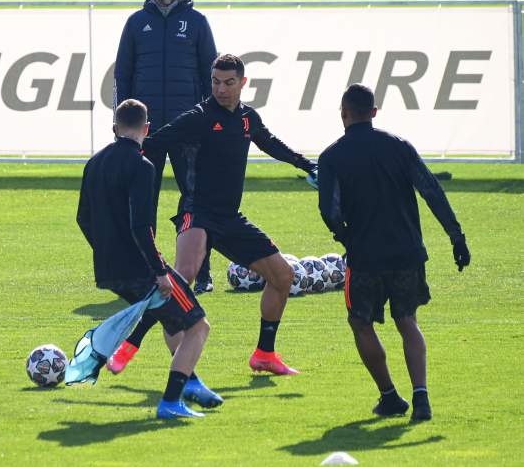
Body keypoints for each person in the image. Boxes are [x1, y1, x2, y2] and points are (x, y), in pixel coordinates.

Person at [117, 54, 318, 377]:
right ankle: (134, 344)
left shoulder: (248, 120)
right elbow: (155, 141)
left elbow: (271, 144)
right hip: (196, 213)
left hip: (230, 219)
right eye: (215, 82)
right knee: (181, 281)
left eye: (228, 83)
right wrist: (120, 157)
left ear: (242, 83)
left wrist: (306, 165)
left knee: (283, 276)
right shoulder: (199, 116)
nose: (221, 89)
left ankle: (265, 354)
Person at [318, 83, 471, 421]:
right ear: (373, 113)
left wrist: (344, 236)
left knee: (360, 322)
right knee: (407, 321)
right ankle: (421, 398)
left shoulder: (331, 157)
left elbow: (329, 211)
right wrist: (456, 236)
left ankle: (389, 395)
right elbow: (431, 190)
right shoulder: (400, 147)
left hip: (365, 257)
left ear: (343, 112)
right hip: (407, 254)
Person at [77, 99, 221, 418]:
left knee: (172, 321)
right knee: (198, 325)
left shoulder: (94, 163)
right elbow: (141, 226)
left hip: (109, 269)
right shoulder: (142, 166)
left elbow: (83, 218)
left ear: (115, 128)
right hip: (141, 268)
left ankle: (192, 382)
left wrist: (106, 251)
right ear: (146, 129)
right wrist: (160, 272)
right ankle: (171, 402)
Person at [108, 0, 218, 374]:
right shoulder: (137, 23)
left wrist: (207, 119)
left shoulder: (198, 22)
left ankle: (199, 273)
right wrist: (125, 121)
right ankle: (144, 271)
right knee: (144, 204)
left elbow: (211, 73)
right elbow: (124, 76)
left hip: (188, 128)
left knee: (194, 201)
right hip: (147, 132)